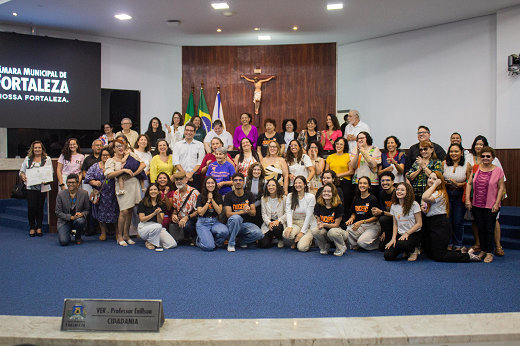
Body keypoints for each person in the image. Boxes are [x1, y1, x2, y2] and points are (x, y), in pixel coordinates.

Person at [423, 171, 480, 262]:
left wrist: (435, 185)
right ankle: (461, 252)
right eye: (429, 178)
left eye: (434, 179)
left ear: (439, 181)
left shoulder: (440, 193)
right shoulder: (432, 192)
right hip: (432, 223)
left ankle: (467, 256)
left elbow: (424, 197)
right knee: (431, 254)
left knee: (439, 256)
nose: (431, 180)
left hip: (440, 225)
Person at [467, 135, 506, 256]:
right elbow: (469, 183)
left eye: (488, 156)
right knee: (481, 229)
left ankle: (490, 252)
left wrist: (496, 203)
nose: (485, 158)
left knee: (489, 229)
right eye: (483, 156)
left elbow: (501, 188)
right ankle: (483, 250)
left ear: (492, 157)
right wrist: (468, 200)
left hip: (491, 205)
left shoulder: (498, 170)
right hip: (477, 204)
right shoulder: (476, 168)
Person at [105, 138, 145, 246]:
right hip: (122, 186)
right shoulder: (111, 160)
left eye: (122, 146)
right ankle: (119, 236)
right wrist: (123, 170)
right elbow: (108, 175)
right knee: (123, 211)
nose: (120, 148)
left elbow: (142, 164)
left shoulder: (131, 156)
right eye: (118, 146)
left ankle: (127, 235)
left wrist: (134, 173)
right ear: (113, 148)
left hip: (134, 184)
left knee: (130, 210)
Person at [84, 147, 120, 241]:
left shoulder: (115, 165)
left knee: (116, 213)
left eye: (107, 155)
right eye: (103, 155)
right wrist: (93, 182)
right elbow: (87, 176)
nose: (105, 157)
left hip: (113, 194)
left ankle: (118, 232)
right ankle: (103, 233)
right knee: (101, 214)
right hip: (101, 194)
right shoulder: (95, 166)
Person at [19, 140, 53, 237]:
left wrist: (46, 179)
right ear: (32, 149)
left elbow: (50, 172)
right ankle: (32, 227)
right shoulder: (28, 159)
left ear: (42, 149)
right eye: (35, 148)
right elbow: (21, 171)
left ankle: (39, 227)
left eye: (39, 148)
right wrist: (23, 176)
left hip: (42, 187)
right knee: (31, 207)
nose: (37, 149)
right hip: (30, 187)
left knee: (40, 207)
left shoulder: (47, 159)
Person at [224, 172, 264, 252]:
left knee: (259, 234)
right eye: (235, 180)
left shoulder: (249, 194)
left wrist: (248, 210)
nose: (238, 182)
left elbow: (253, 213)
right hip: (232, 224)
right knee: (236, 218)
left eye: (240, 180)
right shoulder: (228, 196)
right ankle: (231, 243)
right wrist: (243, 211)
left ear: (243, 182)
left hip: (245, 224)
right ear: (232, 182)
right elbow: (228, 214)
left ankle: (242, 241)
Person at [383, 182, 422, 261]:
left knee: (401, 244)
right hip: (400, 234)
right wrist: (393, 238)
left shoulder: (414, 204)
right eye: (397, 190)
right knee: (388, 256)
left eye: (402, 190)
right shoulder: (394, 205)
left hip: (413, 234)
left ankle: (414, 250)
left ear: (408, 192)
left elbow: (419, 223)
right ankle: (406, 250)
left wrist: (407, 233)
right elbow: (395, 224)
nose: (399, 191)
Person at [443, 143, 471, 252]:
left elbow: (469, 182)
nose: (453, 154)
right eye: (451, 152)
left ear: (461, 153)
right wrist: (446, 182)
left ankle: (458, 245)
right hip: (447, 194)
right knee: (447, 221)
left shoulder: (467, 165)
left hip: (459, 194)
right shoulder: (444, 164)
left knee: (458, 221)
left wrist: (458, 184)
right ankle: (449, 244)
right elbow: (439, 179)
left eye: (456, 151)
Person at [137, 184, 177, 251]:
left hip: (157, 227)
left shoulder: (162, 204)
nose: (153, 191)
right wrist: (153, 214)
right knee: (158, 226)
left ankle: (154, 241)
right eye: (151, 190)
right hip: (144, 227)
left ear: (158, 192)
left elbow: (159, 222)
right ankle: (149, 241)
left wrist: (158, 214)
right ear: (148, 192)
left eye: (155, 189)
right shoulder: (142, 203)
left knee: (172, 244)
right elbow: (142, 219)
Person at [311, 183, 347, 256]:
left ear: (333, 193)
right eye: (324, 191)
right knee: (315, 230)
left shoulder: (339, 206)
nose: (326, 193)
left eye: (329, 191)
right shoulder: (318, 205)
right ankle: (324, 247)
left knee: (332, 232)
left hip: (339, 231)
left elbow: (336, 225)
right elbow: (319, 223)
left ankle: (341, 247)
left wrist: (324, 224)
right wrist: (320, 225)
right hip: (326, 232)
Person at [283, 176, 317, 252]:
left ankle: (308, 239)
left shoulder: (310, 197)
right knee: (287, 234)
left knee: (302, 248)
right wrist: (289, 226)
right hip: (295, 223)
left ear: (305, 184)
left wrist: (302, 232)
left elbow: (309, 216)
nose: (297, 185)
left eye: (300, 183)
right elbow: (288, 212)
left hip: (307, 225)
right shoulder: (290, 196)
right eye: (295, 183)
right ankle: (296, 239)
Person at [346, 176, 380, 251]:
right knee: (348, 230)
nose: (362, 185)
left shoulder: (373, 199)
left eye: (365, 183)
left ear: (369, 186)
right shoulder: (356, 198)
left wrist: (362, 222)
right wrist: (351, 218)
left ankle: (377, 243)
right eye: (360, 183)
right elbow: (354, 213)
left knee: (362, 243)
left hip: (372, 225)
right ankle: (359, 243)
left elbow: (376, 217)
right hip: (360, 225)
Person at [195, 176, 229, 251]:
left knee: (225, 232)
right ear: (205, 185)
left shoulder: (218, 196)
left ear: (215, 184)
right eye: (208, 183)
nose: (210, 185)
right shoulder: (200, 196)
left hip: (214, 221)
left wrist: (212, 199)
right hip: (202, 222)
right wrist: (208, 201)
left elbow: (219, 211)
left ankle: (212, 242)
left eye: (212, 183)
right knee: (209, 247)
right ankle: (199, 241)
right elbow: (200, 213)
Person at [55, 173, 90, 246]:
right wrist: (71, 217)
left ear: (78, 184)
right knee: (64, 242)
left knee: (81, 221)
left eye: (73, 182)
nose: (71, 184)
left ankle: (78, 236)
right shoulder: (60, 194)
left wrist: (82, 214)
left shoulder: (84, 194)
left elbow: (87, 210)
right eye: (69, 182)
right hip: (64, 221)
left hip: (78, 220)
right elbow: (58, 212)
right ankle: (68, 233)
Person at [172, 122, 206, 190]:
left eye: (191, 131)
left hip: (194, 177)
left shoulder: (200, 145)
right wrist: (186, 174)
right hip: (180, 176)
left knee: (195, 198)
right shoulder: (177, 145)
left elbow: (200, 162)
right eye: (187, 130)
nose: (188, 132)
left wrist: (191, 173)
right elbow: (176, 162)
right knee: (180, 198)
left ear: (194, 132)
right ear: (184, 131)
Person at [169, 171, 200, 245]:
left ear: (186, 180)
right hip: (180, 218)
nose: (179, 181)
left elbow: (198, 211)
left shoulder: (194, 193)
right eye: (177, 180)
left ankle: (194, 236)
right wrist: (174, 215)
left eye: (181, 179)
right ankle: (183, 236)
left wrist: (187, 218)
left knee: (187, 225)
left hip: (192, 218)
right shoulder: (176, 193)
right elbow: (175, 209)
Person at [350, 132, 382, 200]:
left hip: (372, 182)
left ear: (367, 139)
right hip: (357, 181)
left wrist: (362, 151)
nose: (360, 140)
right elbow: (353, 165)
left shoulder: (375, 149)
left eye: (362, 138)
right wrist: (358, 153)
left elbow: (373, 165)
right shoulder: (355, 149)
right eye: (358, 138)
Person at [325, 137, 354, 208]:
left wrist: (337, 175)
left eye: (341, 144)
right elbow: (326, 171)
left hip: (345, 183)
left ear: (345, 146)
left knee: (345, 203)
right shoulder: (330, 157)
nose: (339, 146)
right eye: (337, 144)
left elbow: (351, 171)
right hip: (333, 183)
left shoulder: (348, 156)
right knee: (333, 202)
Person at [371, 172, 396, 251]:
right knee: (382, 248)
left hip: (401, 222)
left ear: (393, 182)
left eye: (387, 180)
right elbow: (384, 211)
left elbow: (399, 215)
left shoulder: (397, 193)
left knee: (383, 217)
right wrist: (384, 231)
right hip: (390, 221)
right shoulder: (382, 194)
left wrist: (381, 212)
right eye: (383, 181)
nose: (385, 183)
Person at [259, 178, 287, 248]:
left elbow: (287, 213)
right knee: (263, 244)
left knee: (277, 228)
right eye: (269, 185)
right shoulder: (263, 198)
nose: (271, 187)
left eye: (273, 185)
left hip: (279, 221)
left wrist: (278, 221)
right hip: (269, 222)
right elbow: (264, 214)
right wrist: (269, 223)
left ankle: (280, 239)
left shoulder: (284, 198)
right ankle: (271, 236)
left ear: (277, 187)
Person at [245, 162, 266, 227]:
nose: (256, 171)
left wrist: (253, 205)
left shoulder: (264, 182)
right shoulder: (246, 180)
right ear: (251, 170)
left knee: (258, 214)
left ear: (261, 171)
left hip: (258, 204)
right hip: (246, 204)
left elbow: (264, 197)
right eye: (254, 169)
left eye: (258, 170)